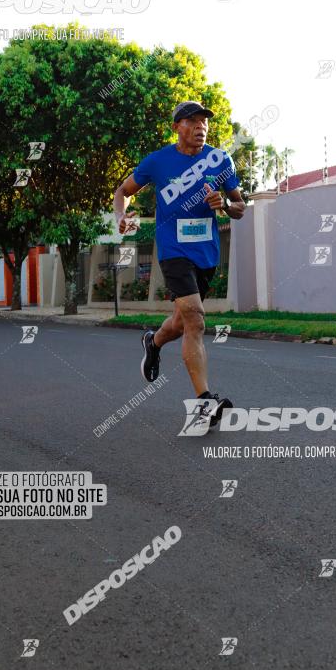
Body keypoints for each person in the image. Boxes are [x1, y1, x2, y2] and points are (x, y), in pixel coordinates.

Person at [113, 101, 245, 428]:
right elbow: (123, 190)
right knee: (196, 322)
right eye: (192, 121)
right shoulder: (158, 161)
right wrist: (121, 216)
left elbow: (240, 205)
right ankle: (205, 401)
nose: (201, 127)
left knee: (181, 323)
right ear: (177, 127)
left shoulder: (220, 160)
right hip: (173, 251)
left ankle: (153, 342)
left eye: (204, 122)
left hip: (205, 253)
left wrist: (225, 204)